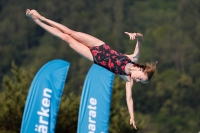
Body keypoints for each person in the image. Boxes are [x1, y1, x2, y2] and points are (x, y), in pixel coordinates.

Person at [26, 9, 157, 129]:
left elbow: (129, 99)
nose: (138, 81)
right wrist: (135, 34)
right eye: (140, 79)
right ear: (141, 70)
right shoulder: (134, 58)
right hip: (99, 45)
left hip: (94, 57)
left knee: (66, 38)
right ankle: (41, 17)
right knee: (70, 32)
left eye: (141, 82)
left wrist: (132, 116)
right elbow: (141, 39)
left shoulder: (128, 79)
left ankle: (36, 21)